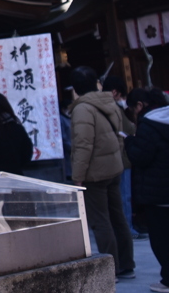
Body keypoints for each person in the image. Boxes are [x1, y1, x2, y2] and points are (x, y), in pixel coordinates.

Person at [68, 66, 135, 280]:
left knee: (101, 220)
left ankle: (110, 268)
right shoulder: (110, 102)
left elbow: (83, 145)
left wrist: (77, 176)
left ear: (76, 88)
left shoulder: (82, 109)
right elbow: (120, 134)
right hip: (114, 168)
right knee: (118, 218)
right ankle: (126, 264)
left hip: (94, 173)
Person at [126, 93, 169, 293]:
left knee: (162, 239)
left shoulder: (148, 125)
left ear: (140, 105)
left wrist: (129, 143)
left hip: (157, 192)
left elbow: (140, 156)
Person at [103, 75, 141, 239]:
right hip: (121, 157)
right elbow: (129, 130)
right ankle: (127, 228)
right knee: (124, 196)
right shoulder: (114, 108)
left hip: (107, 157)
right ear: (115, 92)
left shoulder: (98, 107)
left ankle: (122, 228)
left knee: (116, 196)